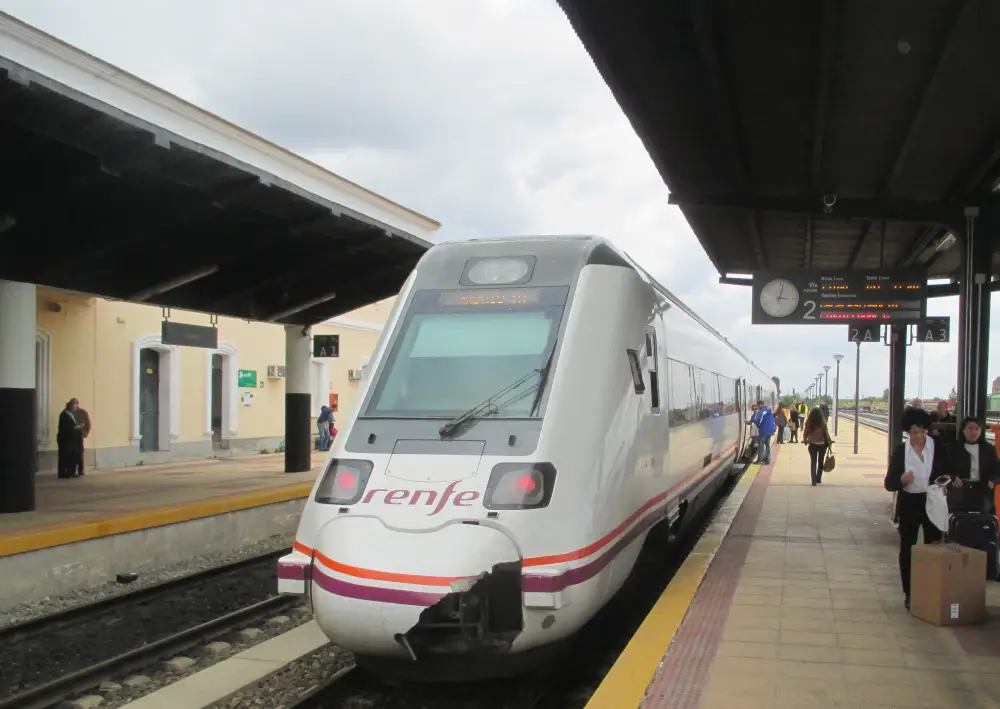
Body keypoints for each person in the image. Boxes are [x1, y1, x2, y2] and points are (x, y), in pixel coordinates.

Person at [883, 407, 949, 611]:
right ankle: (910, 593)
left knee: (934, 546)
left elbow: (948, 470)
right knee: (908, 548)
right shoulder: (902, 451)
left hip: (932, 501)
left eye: (922, 431)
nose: (919, 436)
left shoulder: (937, 447)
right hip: (910, 503)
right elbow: (889, 483)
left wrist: (944, 481)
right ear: (907, 433)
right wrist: (902, 480)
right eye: (914, 432)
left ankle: (931, 590)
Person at [949, 416, 999, 514]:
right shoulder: (954, 448)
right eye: (970, 428)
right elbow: (947, 467)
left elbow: (996, 468)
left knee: (983, 520)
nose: (974, 432)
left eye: (977, 429)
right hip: (960, 489)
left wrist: (993, 479)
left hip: (982, 489)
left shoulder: (988, 449)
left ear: (981, 431)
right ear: (963, 430)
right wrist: (953, 477)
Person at [802, 407, 833, 486]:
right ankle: (818, 478)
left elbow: (805, 432)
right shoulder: (823, 422)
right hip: (822, 445)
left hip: (812, 444)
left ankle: (813, 481)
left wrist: (805, 440)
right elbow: (826, 433)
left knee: (813, 462)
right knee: (820, 462)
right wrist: (829, 442)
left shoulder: (809, 422)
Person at [57, 398, 85, 479]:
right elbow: (67, 428)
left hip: (72, 439)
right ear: (71, 406)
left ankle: (71, 472)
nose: (77, 407)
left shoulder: (72, 415)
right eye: (75, 405)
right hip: (65, 440)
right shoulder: (64, 415)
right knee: (65, 456)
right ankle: (63, 473)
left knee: (72, 456)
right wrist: (78, 427)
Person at [748, 400, 775, 465]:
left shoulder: (761, 412)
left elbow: (758, 421)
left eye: (758, 405)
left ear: (759, 405)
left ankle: (760, 460)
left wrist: (756, 424)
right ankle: (767, 460)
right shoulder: (769, 411)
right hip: (770, 431)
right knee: (768, 445)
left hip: (763, 431)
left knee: (761, 446)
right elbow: (772, 420)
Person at [73, 406, 92, 476]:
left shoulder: (82, 413)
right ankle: (74, 469)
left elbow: (88, 423)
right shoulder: (70, 412)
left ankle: (80, 469)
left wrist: (85, 433)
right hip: (72, 435)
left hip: (79, 435)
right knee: (73, 452)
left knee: (79, 452)